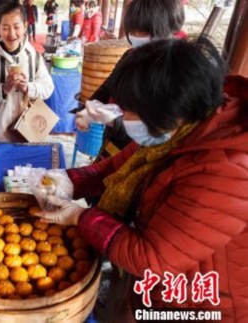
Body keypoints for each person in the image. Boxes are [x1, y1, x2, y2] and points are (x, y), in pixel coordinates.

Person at [39, 38, 248, 322]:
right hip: (158, 286)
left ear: (169, 111)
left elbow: (152, 258)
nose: (124, 118)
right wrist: (68, 180)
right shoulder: (173, 130)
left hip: (200, 304)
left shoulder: (224, 171)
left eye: (131, 111)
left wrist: (81, 217)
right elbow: (113, 168)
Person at [76, 0, 185, 160]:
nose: (136, 37)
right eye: (133, 32)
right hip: (113, 144)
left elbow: (162, 134)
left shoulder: (178, 71)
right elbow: (108, 87)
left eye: (143, 32)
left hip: (145, 157)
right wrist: (87, 111)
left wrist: (115, 122)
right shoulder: (131, 55)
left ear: (168, 30)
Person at [0, 2, 54, 143]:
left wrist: (28, 87)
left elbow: (48, 88)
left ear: (25, 26)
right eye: (5, 28)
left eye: (16, 27)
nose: (12, 34)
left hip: (28, 130)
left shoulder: (32, 55)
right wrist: (4, 89)